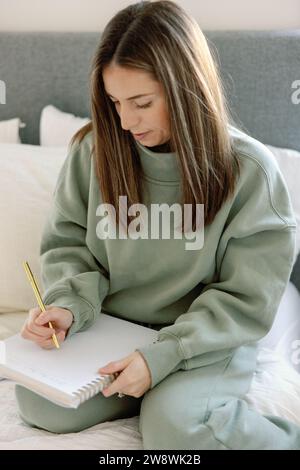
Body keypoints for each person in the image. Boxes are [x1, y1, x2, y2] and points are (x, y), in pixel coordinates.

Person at [15, 0, 300, 449]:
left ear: (185, 89)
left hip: (200, 341)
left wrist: (163, 357)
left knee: (172, 428)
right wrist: (69, 306)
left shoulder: (249, 171)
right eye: (114, 103)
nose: (126, 122)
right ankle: (144, 388)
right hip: (113, 332)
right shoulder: (95, 152)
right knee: (40, 403)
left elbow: (246, 297)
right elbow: (69, 245)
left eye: (141, 103)